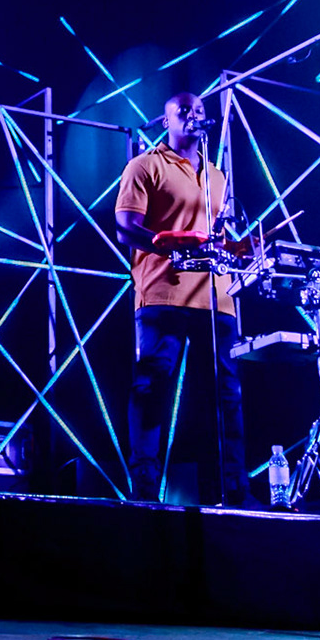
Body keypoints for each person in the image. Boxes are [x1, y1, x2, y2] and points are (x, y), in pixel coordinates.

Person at [114, 91, 245, 506]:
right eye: (184, 111)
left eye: (200, 111)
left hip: (216, 299)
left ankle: (233, 488)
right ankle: (145, 491)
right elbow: (125, 227)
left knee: (226, 394)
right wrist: (169, 246)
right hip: (163, 294)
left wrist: (242, 249)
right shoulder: (144, 166)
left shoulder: (217, 176)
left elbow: (218, 238)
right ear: (165, 120)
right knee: (152, 388)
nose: (194, 117)